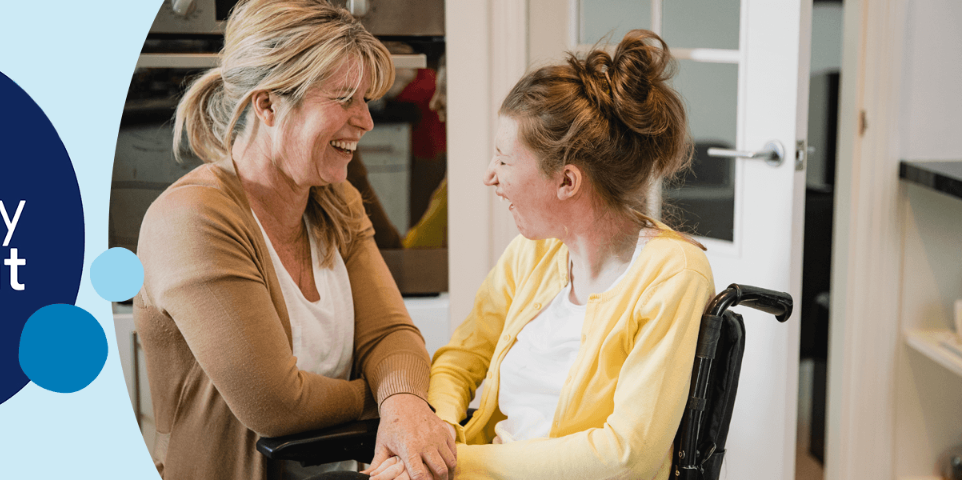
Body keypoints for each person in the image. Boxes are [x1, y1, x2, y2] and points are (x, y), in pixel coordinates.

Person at [369, 30, 715, 480]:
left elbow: (627, 455)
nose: (489, 176)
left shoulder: (671, 276)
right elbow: (460, 359)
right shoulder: (532, 255)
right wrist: (435, 436)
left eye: (504, 159)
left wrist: (455, 463)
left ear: (567, 182)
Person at [132, 1, 454, 479]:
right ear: (267, 105)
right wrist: (392, 398)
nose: (365, 120)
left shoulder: (333, 199)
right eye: (345, 98)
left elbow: (391, 334)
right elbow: (277, 404)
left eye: (366, 100)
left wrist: (402, 399)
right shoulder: (193, 220)